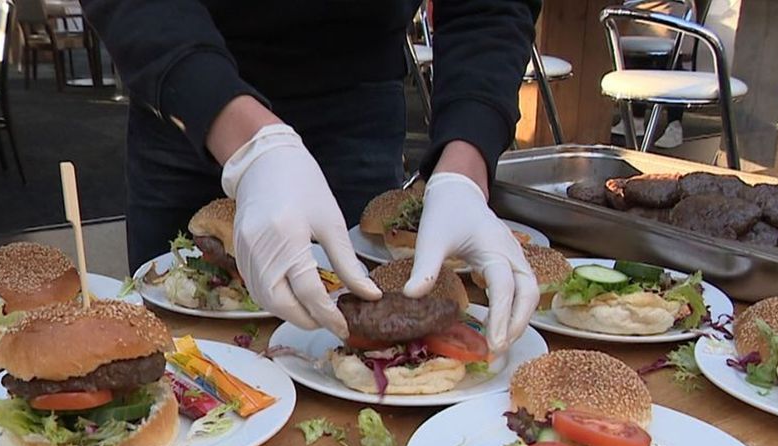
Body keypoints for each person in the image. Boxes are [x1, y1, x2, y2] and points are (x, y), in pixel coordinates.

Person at [83, 0, 541, 352]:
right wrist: (248, 142)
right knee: (175, 350)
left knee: (345, 338)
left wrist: (465, 164)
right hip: (185, 92)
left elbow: (489, 8)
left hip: (358, 102)